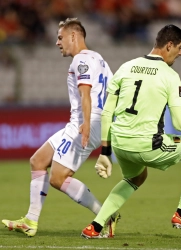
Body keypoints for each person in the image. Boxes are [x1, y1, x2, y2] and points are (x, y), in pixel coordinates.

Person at [81, 24, 181, 239]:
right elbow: (178, 124)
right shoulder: (170, 76)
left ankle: (95, 226)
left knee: (136, 178)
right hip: (148, 144)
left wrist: (105, 152)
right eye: (180, 47)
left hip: (120, 144)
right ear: (169, 45)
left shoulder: (126, 66)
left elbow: (106, 113)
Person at [2, 18, 120, 238]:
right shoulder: (100, 59)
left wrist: (86, 124)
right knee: (38, 161)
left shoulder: (81, 61)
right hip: (87, 123)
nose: (57, 42)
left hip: (84, 123)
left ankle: (105, 216)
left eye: (60, 37)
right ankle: (30, 220)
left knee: (58, 178)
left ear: (73, 36)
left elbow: (85, 93)